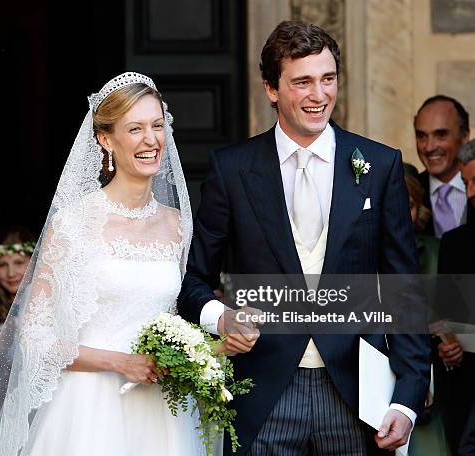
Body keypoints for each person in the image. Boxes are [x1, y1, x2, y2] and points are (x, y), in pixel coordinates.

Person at [178, 21, 430, 455]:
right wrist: (221, 318)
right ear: (271, 89)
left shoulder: (379, 164)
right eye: (303, 82)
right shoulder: (232, 170)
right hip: (263, 393)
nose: (319, 95)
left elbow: (402, 288)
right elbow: (192, 282)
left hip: (357, 395)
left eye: (328, 79)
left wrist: (407, 397)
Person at [0, 72, 203, 455]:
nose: (151, 140)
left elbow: (181, 313)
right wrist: (121, 362)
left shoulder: (178, 224)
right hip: (89, 408)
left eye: (157, 126)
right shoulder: (73, 223)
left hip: (163, 410)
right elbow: (36, 338)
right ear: (105, 139)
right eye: (135, 129)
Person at [434, 139, 475, 454]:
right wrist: (448, 343)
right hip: (466, 389)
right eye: (466, 183)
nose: (471, 193)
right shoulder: (455, 243)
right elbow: (444, 315)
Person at [414, 95, 471, 237]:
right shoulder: (405, 193)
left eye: (441, 135)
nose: (429, 147)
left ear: (464, 137)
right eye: (421, 136)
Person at [0, 226, 35, 324]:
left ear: (34, 264)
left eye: (19, 263)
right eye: (2, 265)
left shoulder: (52, 305)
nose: (11, 273)